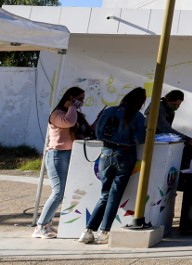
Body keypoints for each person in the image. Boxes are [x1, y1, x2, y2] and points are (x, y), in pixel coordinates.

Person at [79, 87, 148, 245]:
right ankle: (104, 232)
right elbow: (140, 139)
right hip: (124, 155)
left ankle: (88, 231)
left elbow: (98, 132)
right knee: (114, 196)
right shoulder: (137, 116)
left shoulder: (109, 111)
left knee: (104, 194)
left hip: (105, 153)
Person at [32, 86, 85, 239]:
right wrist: (72, 107)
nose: (81, 102)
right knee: (58, 192)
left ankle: (46, 224)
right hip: (56, 155)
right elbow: (69, 122)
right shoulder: (57, 114)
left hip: (67, 154)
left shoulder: (70, 112)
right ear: (70, 98)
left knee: (61, 192)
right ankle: (40, 226)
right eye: (79, 99)